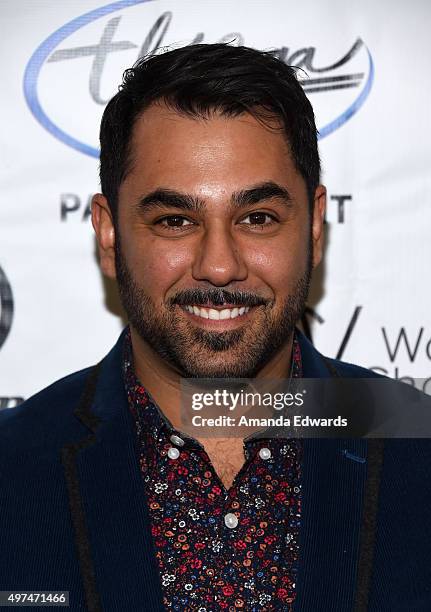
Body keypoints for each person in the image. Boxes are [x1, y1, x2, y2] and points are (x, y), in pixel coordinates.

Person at [1, 43, 430, 612]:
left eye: (258, 218)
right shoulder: (13, 468)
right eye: (175, 221)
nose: (220, 266)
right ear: (108, 235)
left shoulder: (417, 450)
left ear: (316, 227)